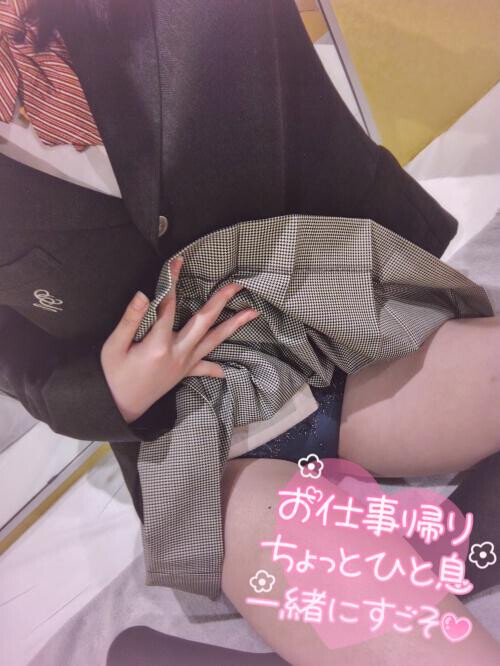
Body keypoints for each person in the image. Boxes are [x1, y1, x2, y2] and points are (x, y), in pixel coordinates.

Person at [1, 0, 499, 663]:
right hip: (198, 449)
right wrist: (105, 392)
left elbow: (309, 112)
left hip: (335, 340)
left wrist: (402, 267)